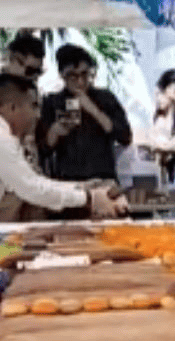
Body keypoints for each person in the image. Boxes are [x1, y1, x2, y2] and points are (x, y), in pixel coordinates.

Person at [0, 74, 127, 219]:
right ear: (12, 108)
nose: (37, 115)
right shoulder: (2, 138)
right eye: (33, 106)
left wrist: (83, 188)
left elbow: (34, 182)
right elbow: (31, 188)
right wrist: (89, 197)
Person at [39, 44, 132, 219]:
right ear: (62, 75)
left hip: (104, 183)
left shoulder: (105, 98)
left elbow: (125, 137)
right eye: (72, 76)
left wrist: (93, 110)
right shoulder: (52, 102)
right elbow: (42, 150)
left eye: (85, 74)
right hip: (68, 187)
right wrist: (54, 133)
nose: (80, 82)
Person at [0, 33, 48, 222]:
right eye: (29, 71)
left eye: (38, 72)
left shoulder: (31, 92)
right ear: (12, 59)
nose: (34, 78)